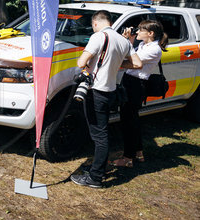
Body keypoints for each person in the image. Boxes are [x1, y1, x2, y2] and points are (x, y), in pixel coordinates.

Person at [70, 10, 142, 188]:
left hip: (97, 92)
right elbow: (137, 63)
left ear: (96, 22)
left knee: (100, 136)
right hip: (111, 92)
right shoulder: (123, 41)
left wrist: (87, 63)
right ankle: (97, 170)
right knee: (102, 133)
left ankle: (95, 177)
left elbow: (81, 62)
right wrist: (117, 64)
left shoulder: (98, 37)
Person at [110, 20, 168, 168]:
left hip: (136, 85)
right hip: (130, 81)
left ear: (150, 33)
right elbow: (131, 57)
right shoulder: (143, 45)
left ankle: (127, 158)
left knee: (128, 122)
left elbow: (132, 61)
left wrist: (117, 61)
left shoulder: (154, 49)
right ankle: (138, 152)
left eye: (141, 29)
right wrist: (129, 41)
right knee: (132, 120)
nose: (138, 31)